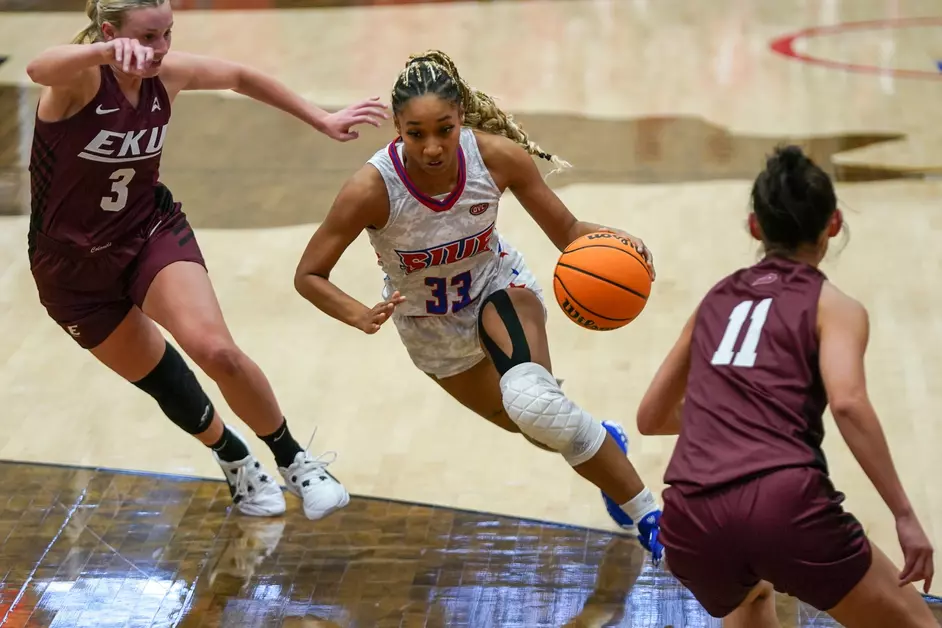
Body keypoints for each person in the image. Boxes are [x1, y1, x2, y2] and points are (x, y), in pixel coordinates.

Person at [24, 0, 388, 520]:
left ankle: (296, 461)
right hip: (71, 270)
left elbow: (239, 75)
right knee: (163, 381)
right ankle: (234, 457)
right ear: (110, 32)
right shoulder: (79, 81)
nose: (163, 48)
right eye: (148, 37)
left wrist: (321, 117)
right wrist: (105, 53)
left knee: (215, 350)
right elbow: (37, 67)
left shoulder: (166, 74)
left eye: (168, 33)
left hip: (147, 232)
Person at [293, 50, 664, 559]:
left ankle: (653, 517)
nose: (431, 147)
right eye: (416, 133)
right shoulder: (370, 189)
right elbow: (308, 274)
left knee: (535, 404)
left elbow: (568, 232)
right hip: (432, 333)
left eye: (443, 130)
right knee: (535, 428)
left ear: (461, 118)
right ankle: (604, 442)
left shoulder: (497, 158)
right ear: (397, 127)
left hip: (499, 286)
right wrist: (358, 313)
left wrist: (624, 244)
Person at [636, 145, 936, 627]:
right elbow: (849, 405)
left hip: (691, 519)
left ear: (755, 227)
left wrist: (722, 420)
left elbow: (650, 417)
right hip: (783, 505)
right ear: (833, 224)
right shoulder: (833, 306)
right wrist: (904, 514)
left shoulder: (716, 298)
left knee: (754, 598)